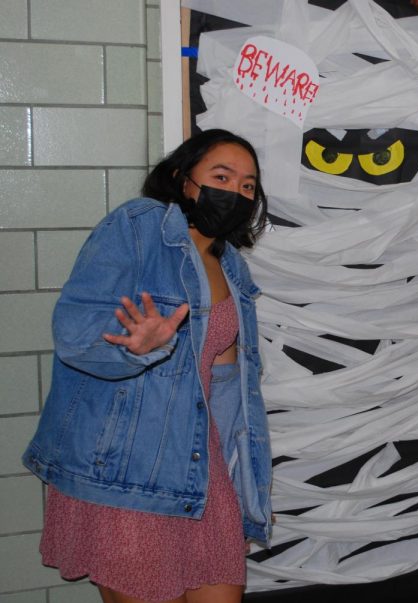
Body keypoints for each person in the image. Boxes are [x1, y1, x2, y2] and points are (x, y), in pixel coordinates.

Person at [22, 129, 273, 603]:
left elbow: (224, 385)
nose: (236, 192)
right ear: (182, 180)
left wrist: (247, 481)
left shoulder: (232, 267)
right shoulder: (137, 226)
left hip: (200, 468)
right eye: (222, 176)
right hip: (126, 469)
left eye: (247, 185)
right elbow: (75, 332)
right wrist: (133, 347)